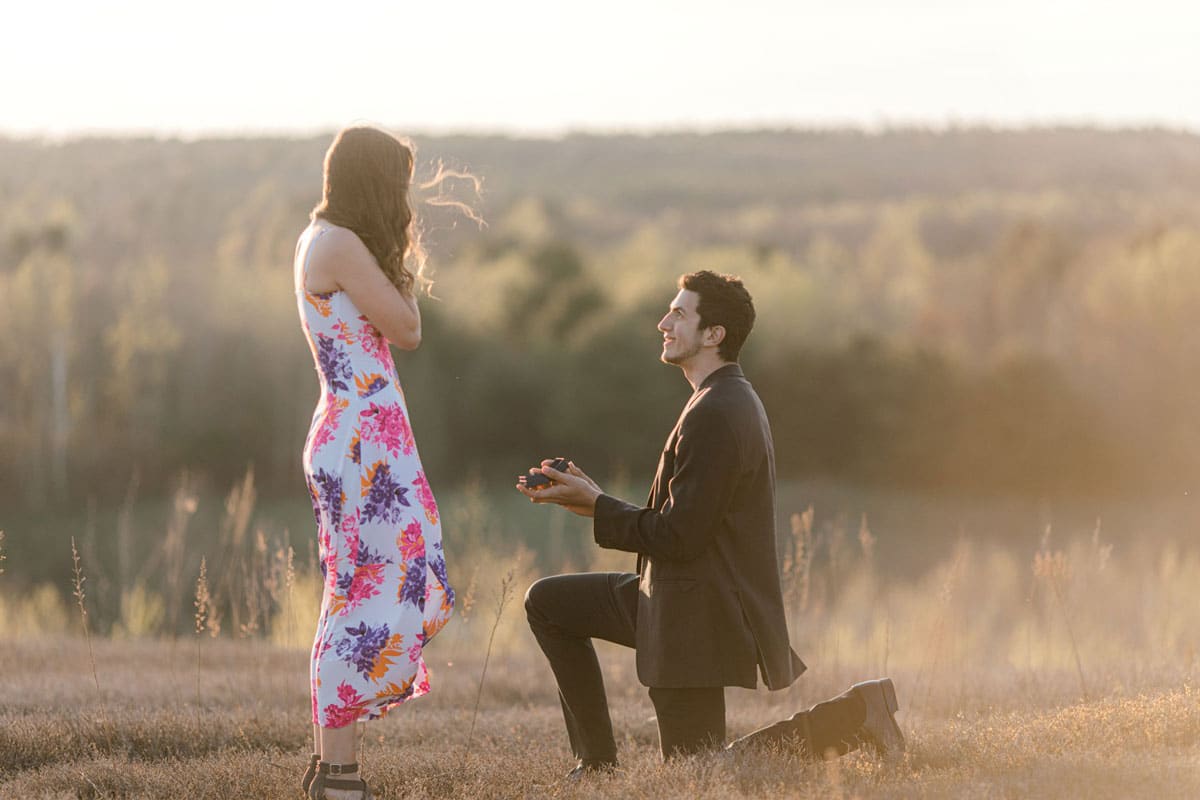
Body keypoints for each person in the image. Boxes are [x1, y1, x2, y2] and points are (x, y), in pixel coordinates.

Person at [517, 270, 904, 779]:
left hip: (698, 613)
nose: (663, 322)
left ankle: (857, 712)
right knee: (549, 603)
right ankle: (596, 764)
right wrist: (594, 502)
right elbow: (689, 521)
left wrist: (602, 505)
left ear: (714, 334)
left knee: (698, 772)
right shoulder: (721, 399)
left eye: (679, 314)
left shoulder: (717, 411)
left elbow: (680, 536)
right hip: (677, 593)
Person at [294, 126, 463, 800]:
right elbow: (410, 328)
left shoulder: (324, 238)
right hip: (362, 440)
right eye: (398, 186)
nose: (405, 201)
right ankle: (338, 774)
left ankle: (329, 767)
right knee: (364, 594)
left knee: (354, 589)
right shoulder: (339, 244)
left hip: (362, 432)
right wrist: (399, 258)